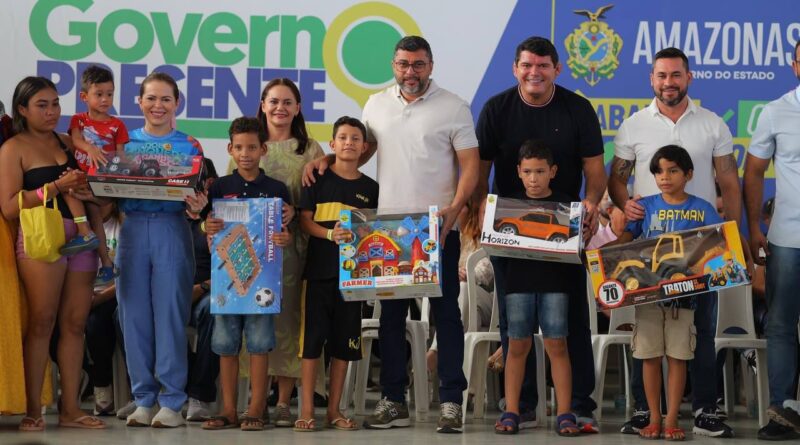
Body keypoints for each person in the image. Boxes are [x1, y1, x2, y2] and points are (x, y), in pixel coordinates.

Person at [304, 35, 479, 433]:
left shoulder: (454, 106)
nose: (410, 72)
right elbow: (360, 150)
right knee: (391, 318)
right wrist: (326, 159)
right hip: (386, 228)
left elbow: (470, 165)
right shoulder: (376, 104)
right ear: (393, 65)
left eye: (418, 64)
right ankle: (393, 400)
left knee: (446, 314)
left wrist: (455, 208)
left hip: (436, 227)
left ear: (430, 65)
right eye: (403, 64)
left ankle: (451, 401)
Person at [608, 47, 743, 438]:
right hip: (648, 254)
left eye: (676, 75)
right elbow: (617, 179)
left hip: (701, 252)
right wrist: (625, 205)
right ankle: (644, 412)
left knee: (700, 332)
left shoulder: (713, 124)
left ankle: (704, 410)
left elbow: (729, 182)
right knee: (645, 339)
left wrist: (734, 240)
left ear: (689, 77)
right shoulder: (633, 125)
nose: (669, 82)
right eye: (662, 75)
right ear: (652, 79)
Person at [476, 36, 606, 432]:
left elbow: (595, 170)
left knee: (572, 322)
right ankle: (522, 406)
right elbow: (480, 172)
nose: (535, 72)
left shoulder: (578, 109)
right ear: (515, 68)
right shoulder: (496, 108)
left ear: (557, 69)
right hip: (509, 233)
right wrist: (481, 213)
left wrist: (592, 205)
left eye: (543, 65)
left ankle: (577, 405)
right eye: (527, 65)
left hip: (564, 231)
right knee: (514, 328)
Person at [0, 76, 103, 430]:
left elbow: (93, 192)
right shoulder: (13, 148)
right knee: (42, 323)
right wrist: (55, 186)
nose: (51, 111)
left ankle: (71, 408)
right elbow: (9, 207)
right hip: (41, 238)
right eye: (41, 105)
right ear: (22, 110)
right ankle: (33, 409)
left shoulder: (68, 142)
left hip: (81, 239)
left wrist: (88, 194)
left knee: (75, 325)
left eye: (55, 103)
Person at [607, 145, 723, 440]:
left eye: (673, 171)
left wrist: (739, 261)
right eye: (659, 171)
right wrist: (601, 257)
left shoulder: (703, 208)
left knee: (678, 357)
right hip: (648, 296)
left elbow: (721, 244)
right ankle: (653, 417)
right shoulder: (645, 207)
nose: (665, 177)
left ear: (689, 174)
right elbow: (627, 240)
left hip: (684, 299)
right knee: (648, 356)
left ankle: (672, 419)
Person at [229, 78, 326, 426]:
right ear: (262, 105)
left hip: (293, 248)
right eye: (273, 101)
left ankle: (284, 400)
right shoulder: (249, 144)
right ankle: (255, 398)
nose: (280, 108)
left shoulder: (310, 149)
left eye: (287, 102)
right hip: (250, 251)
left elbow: (319, 197)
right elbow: (230, 197)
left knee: (288, 319)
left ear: (298, 108)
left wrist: (294, 211)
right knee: (255, 319)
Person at [116, 72, 205, 428]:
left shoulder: (190, 145)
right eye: (151, 98)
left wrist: (198, 206)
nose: (158, 105)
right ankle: (143, 399)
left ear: (177, 103)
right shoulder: (124, 143)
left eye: (166, 99)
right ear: (139, 101)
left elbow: (199, 197)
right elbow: (110, 191)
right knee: (133, 317)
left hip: (172, 229)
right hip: (133, 230)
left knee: (170, 315)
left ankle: (172, 401)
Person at [201, 116, 293, 431]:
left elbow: (285, 232)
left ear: (263, 149)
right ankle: (228, 409)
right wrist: (207, 226)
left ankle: (256, 408)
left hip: (262, 281)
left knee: (259, 342)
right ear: (230, 149)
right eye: (239, 147)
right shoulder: (220, 187)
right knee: (225, 343)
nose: (245, 154)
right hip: (226, 281)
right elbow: (207, 227)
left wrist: (284, 238)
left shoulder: (277, 190)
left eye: (252, 147)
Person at [295, 116, 379, 432]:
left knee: (344, 345)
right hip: (317, 274)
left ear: (365, 147)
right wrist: (330, 235)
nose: (348, 143)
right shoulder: (316, 179)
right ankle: (306, 410)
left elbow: (374, 232)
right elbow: (304, 221)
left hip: (353, 280)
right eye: (342, 137)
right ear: (332, 144)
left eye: (355, 138)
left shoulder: (371, 188)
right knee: (311, 344)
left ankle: (334, 410)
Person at [495, 140, 583, 436]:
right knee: (517, 346)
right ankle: (512, 410)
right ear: (518, 172)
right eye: (528, 172)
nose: (533, 179)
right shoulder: (508, 206)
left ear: (552, 171)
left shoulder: (566, 206)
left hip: (555, 284)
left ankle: (565, 413)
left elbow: (575, 249)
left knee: (557, 345)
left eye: (540, 172)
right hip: (518, 283)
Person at [743, 39, 800, 441]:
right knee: (780, 324)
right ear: (795, 65)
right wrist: (753, 228)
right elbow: (753, 172)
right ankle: (784, 411)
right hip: (787, 238)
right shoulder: (775, 111)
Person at [68, 65, 128, 284]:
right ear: (84, 96)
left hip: (102, 181)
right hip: (80, 176)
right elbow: (75, 140)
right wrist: (90, 148)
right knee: (76, 197)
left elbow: (121, 156)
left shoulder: (117, 125)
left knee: (95, 212)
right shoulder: (78, 120)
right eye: (99, 94)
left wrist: (115, 178)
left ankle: (107, 264)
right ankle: (104, 261)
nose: (105, 99)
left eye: (109, 94)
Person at [184, 157, 220, 421]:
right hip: (171, 294)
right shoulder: (169, 217)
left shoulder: (218, 218)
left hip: (207, 292)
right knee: (124, 315)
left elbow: (234, 266)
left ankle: (199, 394)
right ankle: (143, 395)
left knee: (215, 311)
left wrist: (203, 287)